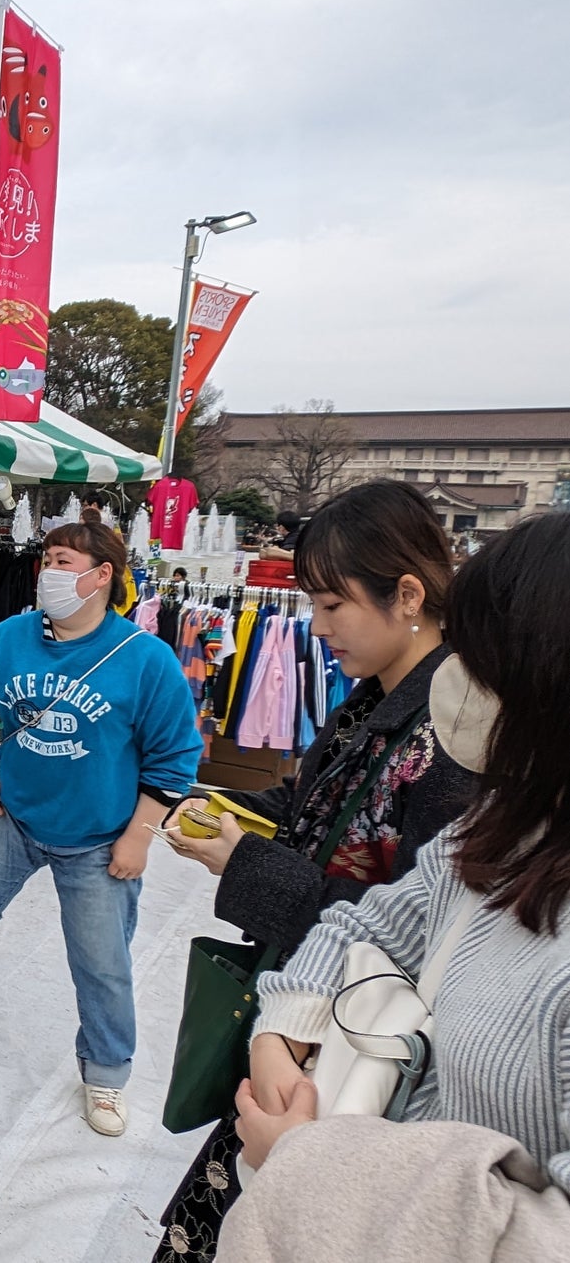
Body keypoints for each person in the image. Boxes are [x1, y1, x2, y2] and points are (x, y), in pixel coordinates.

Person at [151, 479, 477, 1262]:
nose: (318, 627)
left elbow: (408, 928)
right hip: (300, 1017)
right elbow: (305, 804)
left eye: (332, 606)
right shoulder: (373, 698)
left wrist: (244, 862)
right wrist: (209, 807)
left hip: (347, 1050)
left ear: (407, 595)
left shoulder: (455, 735)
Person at [234, 511, 570, 1238]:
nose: (464, 681)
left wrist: (313, 1165)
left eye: (332, 604)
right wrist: (283, 1027)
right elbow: (377, 919)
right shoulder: (511, 820)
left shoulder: (452, 762)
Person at [0, 520, 204, 1137]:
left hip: (100, 838)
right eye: (47, 560)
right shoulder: (12, 636)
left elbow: (175, 761)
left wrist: (139, 836)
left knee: (101, 960)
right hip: (14, 817)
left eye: (63, 561)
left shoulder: (145, 660)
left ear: (102, 575)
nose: (48, 573)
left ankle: (106, 1070)